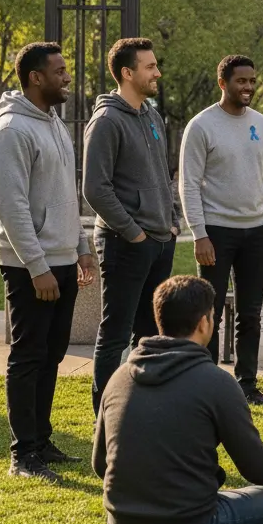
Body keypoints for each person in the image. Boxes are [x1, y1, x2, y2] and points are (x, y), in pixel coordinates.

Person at [95, 275, 263, 524]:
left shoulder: (119, 377)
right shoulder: (215, 381)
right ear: (204, 322)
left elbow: (100, 465)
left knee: (231, 498)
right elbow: (259, 469)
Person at [0, 42, 96, 483]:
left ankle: (41, 439)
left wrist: (82, 244)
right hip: (28, 264)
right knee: (28, 354)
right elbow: (12, 208)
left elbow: (65, 196)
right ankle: (23, 453)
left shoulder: (53, 123)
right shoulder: (12, 130)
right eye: (60, 71)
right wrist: (36, 266)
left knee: (51, 353)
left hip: (62, 258)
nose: (67, 77)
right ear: (36, 77)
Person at [179, 55, 263, 407]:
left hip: (255, 232)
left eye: (253, 81)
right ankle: (207, 385)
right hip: (216, 233)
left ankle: (247, 385)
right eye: (242, 81)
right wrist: (199, 233)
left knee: (250, 313)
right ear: (223, 83)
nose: (249, 87)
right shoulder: (201, 126)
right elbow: (189, 184)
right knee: (209, 313)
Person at [83, 37, 179, 416]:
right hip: (126, 242)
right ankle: (106, 420)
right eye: (150, 66)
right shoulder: (106, 121)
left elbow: (162, 175)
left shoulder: (153, 116)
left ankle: (139, 414)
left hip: (160, 240)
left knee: (150, 335)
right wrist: (133, 231)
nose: (157, 72)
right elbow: (95, 188)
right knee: (115, 335)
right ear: (127, 72)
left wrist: (171, 223)